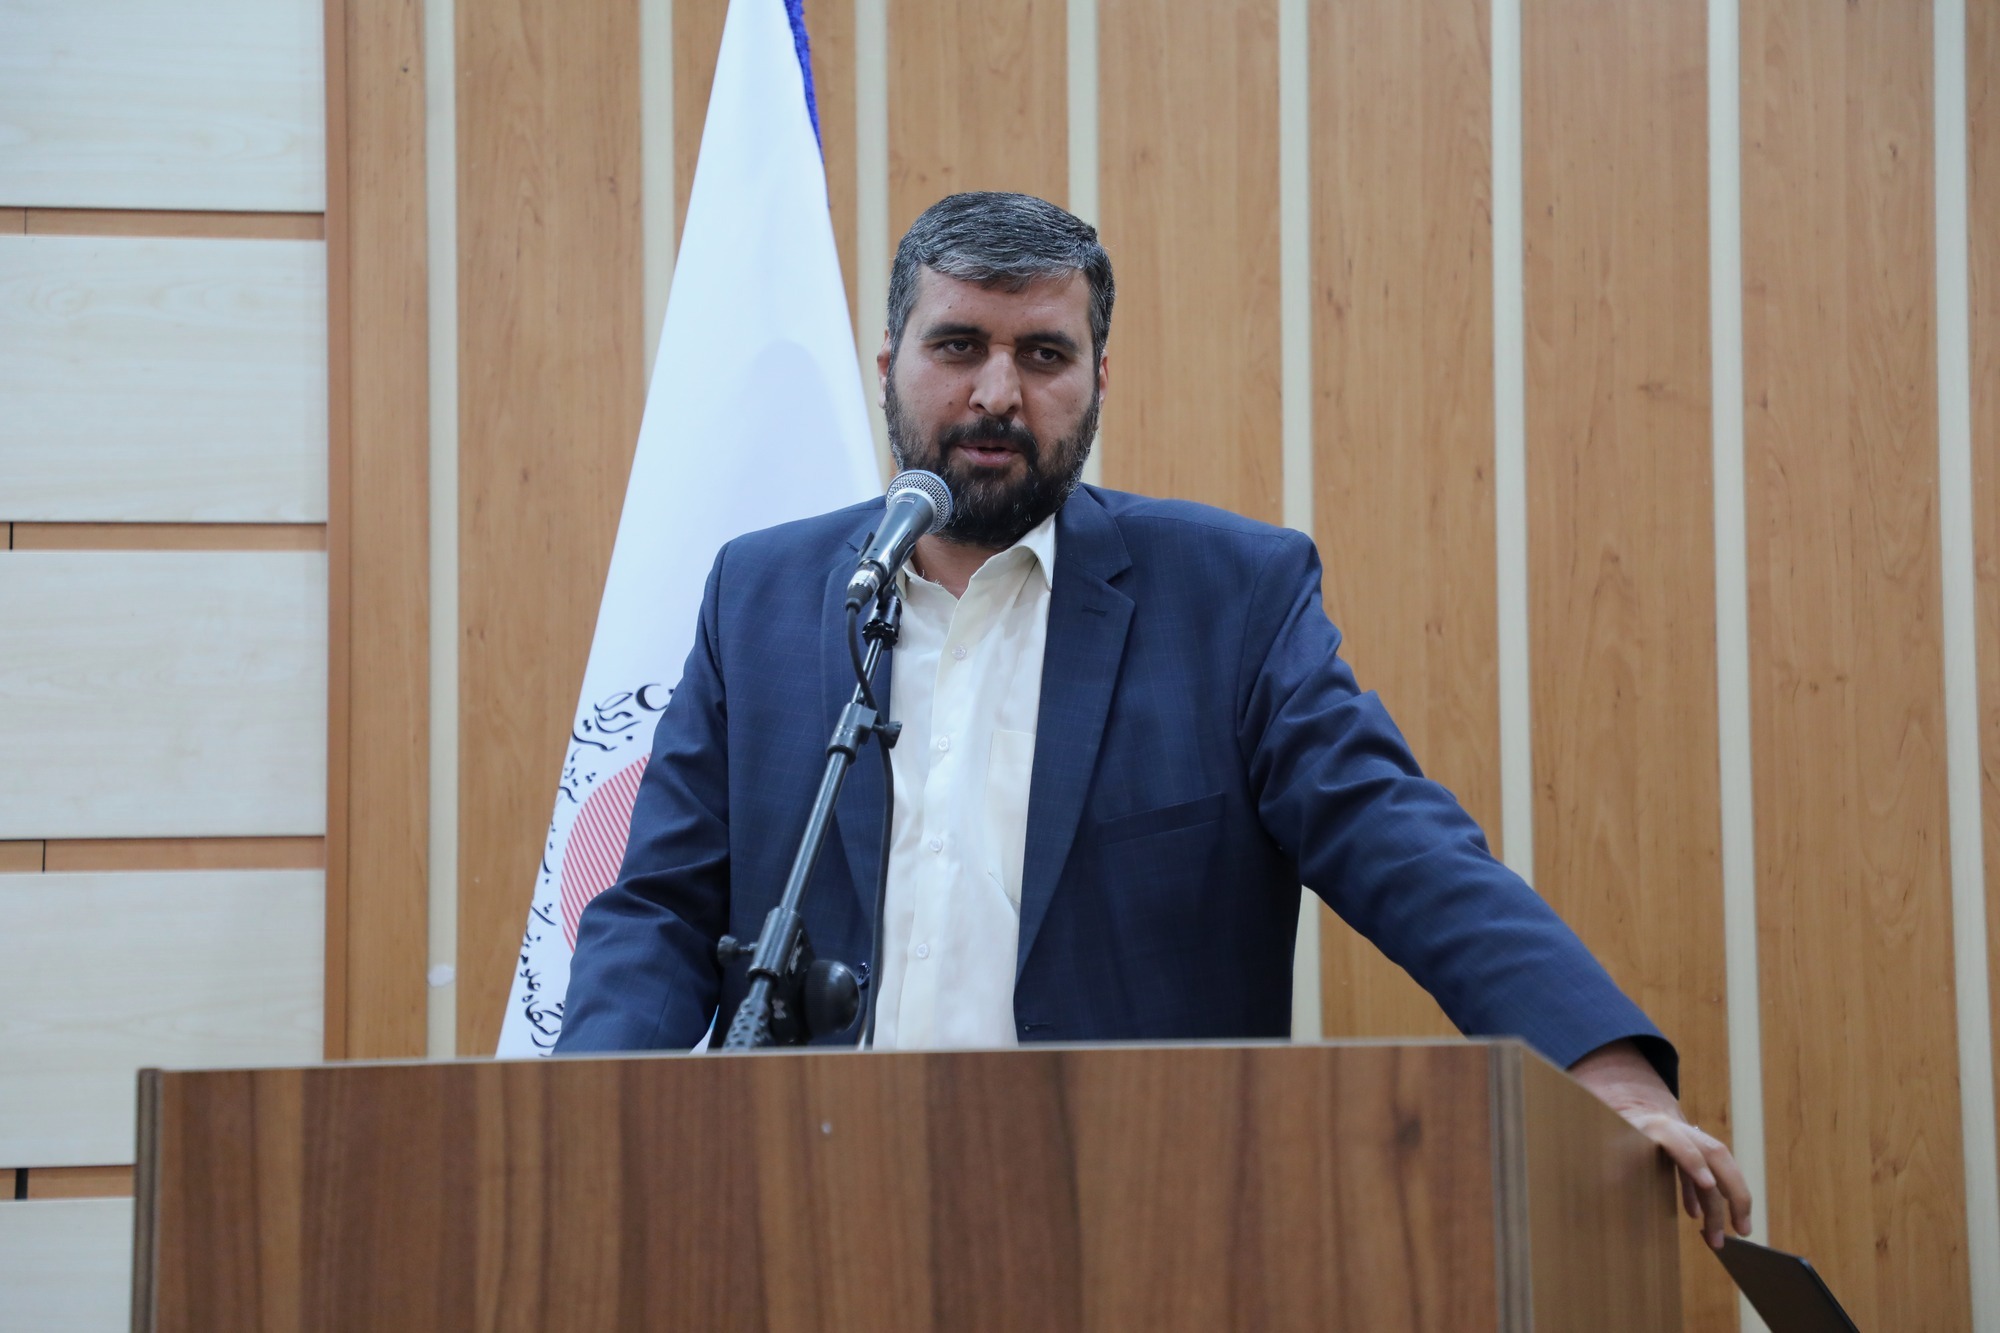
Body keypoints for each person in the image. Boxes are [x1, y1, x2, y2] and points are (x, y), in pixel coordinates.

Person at [558, 191, 1752, 1250]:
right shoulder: (763, 596)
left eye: (1042, 354)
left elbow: (1400, 841)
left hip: (1133, 1228)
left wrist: (1606, 1075)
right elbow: (660, 908)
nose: (995, 393)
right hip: (804, 1219)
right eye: (957, 345)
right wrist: (571, 1127)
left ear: (1097, 379)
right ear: (888, 363)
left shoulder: (1227, 598)